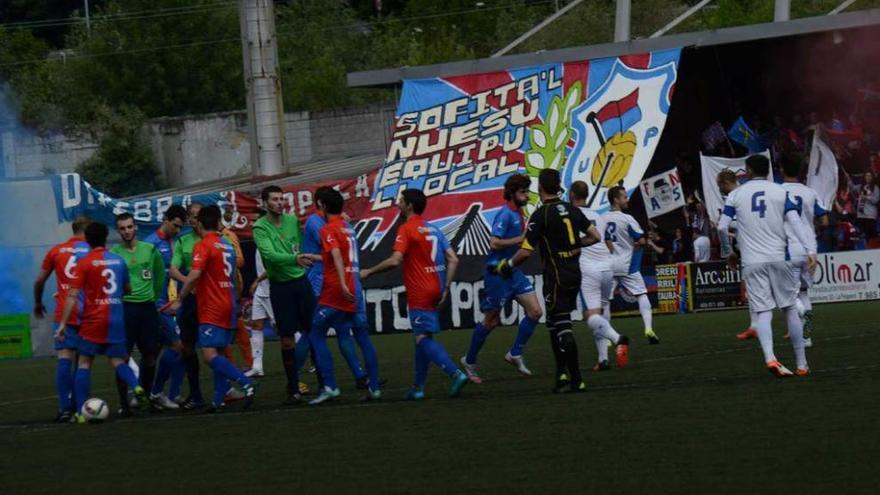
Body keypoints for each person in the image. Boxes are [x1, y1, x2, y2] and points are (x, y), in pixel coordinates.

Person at [360, 189, 469, 400]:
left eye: (401, 201)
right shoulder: (434, 228)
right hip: (436, 287)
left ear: (409, 205)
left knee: (422, 337)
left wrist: (368, 271)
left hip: (420, 289)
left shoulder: (406, 228)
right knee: (422, 336)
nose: (397, 204)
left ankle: (455, 374)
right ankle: (418, 387)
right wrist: (445, 287)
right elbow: (453, 259)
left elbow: (394, 260)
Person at [500, 169, 601, 393]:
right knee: (555, 323)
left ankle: (576, 379)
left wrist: (508, 265)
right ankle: (561, 374)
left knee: (562, 327)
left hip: (556, 275)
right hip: (575, 272)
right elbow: (595, 236)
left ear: (540, 188)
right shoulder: (572, 210)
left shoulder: (542, 214)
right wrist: (575, 246)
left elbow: (525, 251)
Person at [717, 154, 817, 377]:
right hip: (780, 257)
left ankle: (771, 358)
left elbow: (722, 227)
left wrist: (728, 252)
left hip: (752, 261)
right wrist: (809, 249)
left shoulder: (735, 194)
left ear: (749, 171)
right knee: (790, 308)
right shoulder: (781, 191)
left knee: (763, 312)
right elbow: (795, 222)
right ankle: (802, 364)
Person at [55, 222, 147, 423]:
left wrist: (62, 324)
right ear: (106, 237)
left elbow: (72, 296)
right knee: (118, 360)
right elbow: (128, 290)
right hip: (115, 318)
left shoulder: (85, 263)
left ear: (87, 240)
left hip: (93, 320)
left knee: (84, 363)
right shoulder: (118, 260)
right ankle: (136, 386)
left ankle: (80, 413)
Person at [167, 205, 255, 412]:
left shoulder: (203, 245)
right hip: (228, 301)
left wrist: (180, 297)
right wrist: (235, 300)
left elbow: (195, 275)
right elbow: (234, 276)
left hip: (211, 305)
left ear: (200, 222)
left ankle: (246, 382)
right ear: (216, 223)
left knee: (208, 354)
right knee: (219, 352)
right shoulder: (226, 244)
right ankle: (217, 400)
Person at [461, 173, 542, 383]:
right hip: (497, 273)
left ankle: (515, 353)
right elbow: (494, 243)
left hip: (513, 271)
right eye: (523, 192)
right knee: (491, 320)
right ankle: (469, 361)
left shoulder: (520, 212)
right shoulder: (504, 214)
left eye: (526, 191)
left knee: (535, 312)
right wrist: (520, 239)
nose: (526, 195)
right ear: (512, 193)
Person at [307, 189, 381, 404]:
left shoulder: (328, 229)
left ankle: (330, 385)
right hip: (355, 287)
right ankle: (374, 386)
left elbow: (337, 256)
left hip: (337, 290)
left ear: (320, 204)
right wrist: (312, 256)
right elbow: (336, 254)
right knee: (361, 336)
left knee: (316, 332)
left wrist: (341, 283)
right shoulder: (348, 228)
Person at [252, 185, 316, 405]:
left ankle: (326, 382)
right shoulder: (259, 227)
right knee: (287, 339)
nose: (280, 202)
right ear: (265, 203)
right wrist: (294, 259)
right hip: (280, 287)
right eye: (275, 199)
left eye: (282, 198)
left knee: (314, 331)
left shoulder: (292, 221)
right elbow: (269, 254)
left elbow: (298, 246)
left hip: (300, 282)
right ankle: (293, 386)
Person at [110, 213, 170, 415]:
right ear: (118, 230)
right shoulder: (114, 253)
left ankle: (143, 397)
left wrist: (152, 295)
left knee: (150, 355)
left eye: (129, 227)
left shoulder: (150, 250)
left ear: (135, 227)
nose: (126, 231)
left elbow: (160, 275)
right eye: (122, 228)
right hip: (125, 310)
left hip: (147, 309)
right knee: (122, 356)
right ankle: (123, 404)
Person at [33, 215, 92, 423]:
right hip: (88, 313)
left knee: (65, 359)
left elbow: (39, 280)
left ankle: (64, 409)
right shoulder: (93, 251)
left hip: (64, 312)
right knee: (83, 362)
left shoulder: (56, 251)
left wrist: (38, 303)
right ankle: (80, 408)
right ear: (88, 231)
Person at [569, 181, 629, 371]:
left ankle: (617, 338)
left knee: (590, 315)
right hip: (607, 267)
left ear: (572, 195)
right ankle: (603, 359)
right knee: (603, 309)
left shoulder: (572, 215)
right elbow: (607, 241)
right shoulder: (598, 216)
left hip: (589, 269)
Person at [780, 154, 828, 348]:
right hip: (809, 250)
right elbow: (824, 220)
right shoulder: (810, 192)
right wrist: (810, 225)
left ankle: (798, 323)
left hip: (787, 249)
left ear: (782, 170)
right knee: (804, 294)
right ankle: (805, 337)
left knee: (787, 297)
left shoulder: (778, 192)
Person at [603, 186, 660, 345]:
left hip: (608, 265)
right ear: (616, 199)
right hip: (627, 266)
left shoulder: (602, 218)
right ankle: (648, 328)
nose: (627, 200)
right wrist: (642, 242)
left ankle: (609, 337)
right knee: (641, 294)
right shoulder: (627, 219)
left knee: (605, 301)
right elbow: (641, 240)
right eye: (624, 197)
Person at [144, 205, 188, 406]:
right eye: (175, 225)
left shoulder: (175, 241)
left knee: (157, 351)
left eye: (180, 227)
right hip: (156, 305)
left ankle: (167, 393)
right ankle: (156, 392)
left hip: (171, 304)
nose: (178, 230)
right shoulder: (151, 244)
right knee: (178, 346)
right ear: (165, 219)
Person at [167, 203, 206, 409]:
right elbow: (173, 269)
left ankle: (224, 390)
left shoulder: (214, 239)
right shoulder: (183, 241)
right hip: (190, 300)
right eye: (192, 216)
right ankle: (196, 393)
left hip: (210, 298)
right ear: (189, 219)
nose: (195, 219)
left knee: (216, 347)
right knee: (188, 347)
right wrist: (188, 282)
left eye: (199, 215)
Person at [247, 248, 272, 377]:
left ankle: (310, 359)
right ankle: (257, 367)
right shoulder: (258, 243)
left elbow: (274, 265)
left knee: (285, 329)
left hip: (271, 290)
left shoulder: (267, 242)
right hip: (261, 290)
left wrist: (257, 281)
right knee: (256, 325)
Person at [856, 171, 878, 240]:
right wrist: (848, 180)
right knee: (863, 236)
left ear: (872, 177)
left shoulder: (875, 188)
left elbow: (876, 200)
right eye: (866, 176)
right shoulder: (861, 186)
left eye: (869, 176)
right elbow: (852, 189)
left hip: (870, 215)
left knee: (870, 236)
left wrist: (866, 197)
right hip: (861, 215)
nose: (868, 177)